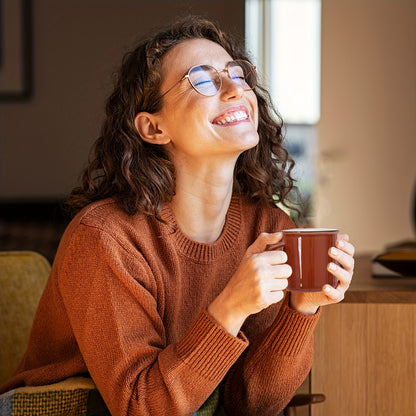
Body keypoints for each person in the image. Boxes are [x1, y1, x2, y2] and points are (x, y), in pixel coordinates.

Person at [0, 16, 355, 416]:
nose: (235, 88)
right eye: (203, 80)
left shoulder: (269, 227)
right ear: (153, 128)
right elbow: (139, 408)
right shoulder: (105, 236)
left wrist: (301, 309)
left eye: (237, 74)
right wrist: (230, 308)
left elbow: (251, 406)